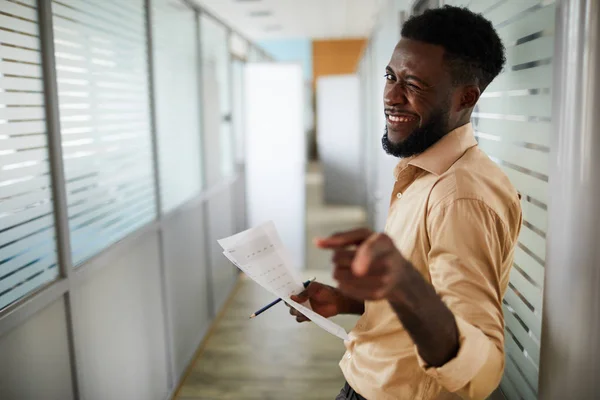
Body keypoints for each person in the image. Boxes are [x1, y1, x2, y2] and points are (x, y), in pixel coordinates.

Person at [288, 6, 522, 400]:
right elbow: (424, 299)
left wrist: (405, 284)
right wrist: (350, 300)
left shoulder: (460, 197)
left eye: (414, 84)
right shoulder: (423, 173)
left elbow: (482, 371)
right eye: (390, 76)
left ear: (466, 97)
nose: (391, 97)